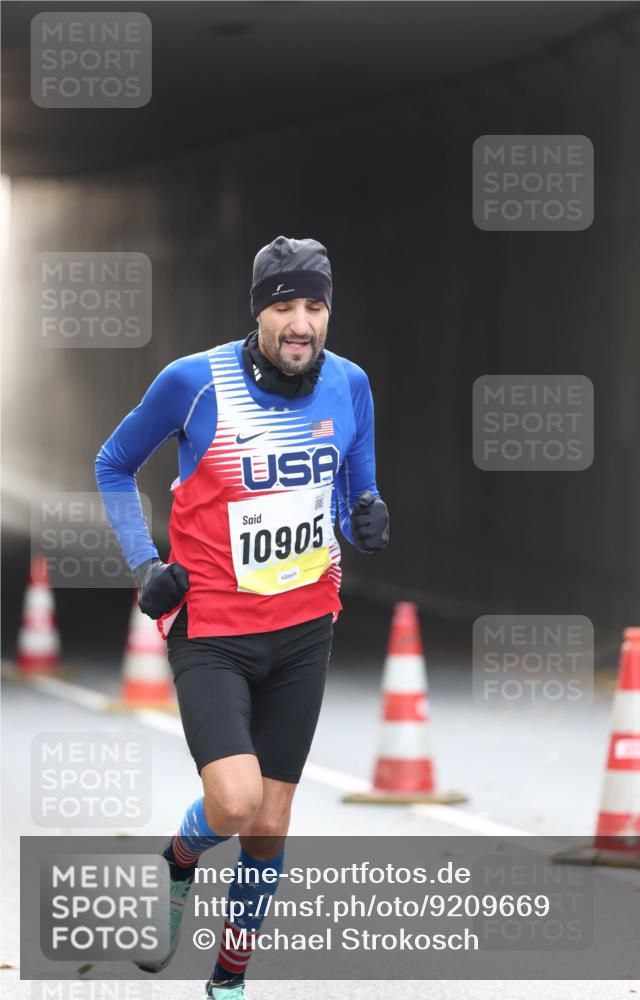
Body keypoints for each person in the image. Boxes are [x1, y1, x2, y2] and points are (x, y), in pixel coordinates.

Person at [95, 235, 389, 998]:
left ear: (328, 312)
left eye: (315, 306)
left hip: (303, 630)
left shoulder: (350, 384)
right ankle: (179, 859)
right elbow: (114, 463)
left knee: (268, 824)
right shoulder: (194, 381)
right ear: (258, 311)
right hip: (213, 631)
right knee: (234, 801)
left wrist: (369, 520)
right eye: (284, 305)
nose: (301, 322)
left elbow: (356, 504)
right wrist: (144, 566)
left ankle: (228, 982)